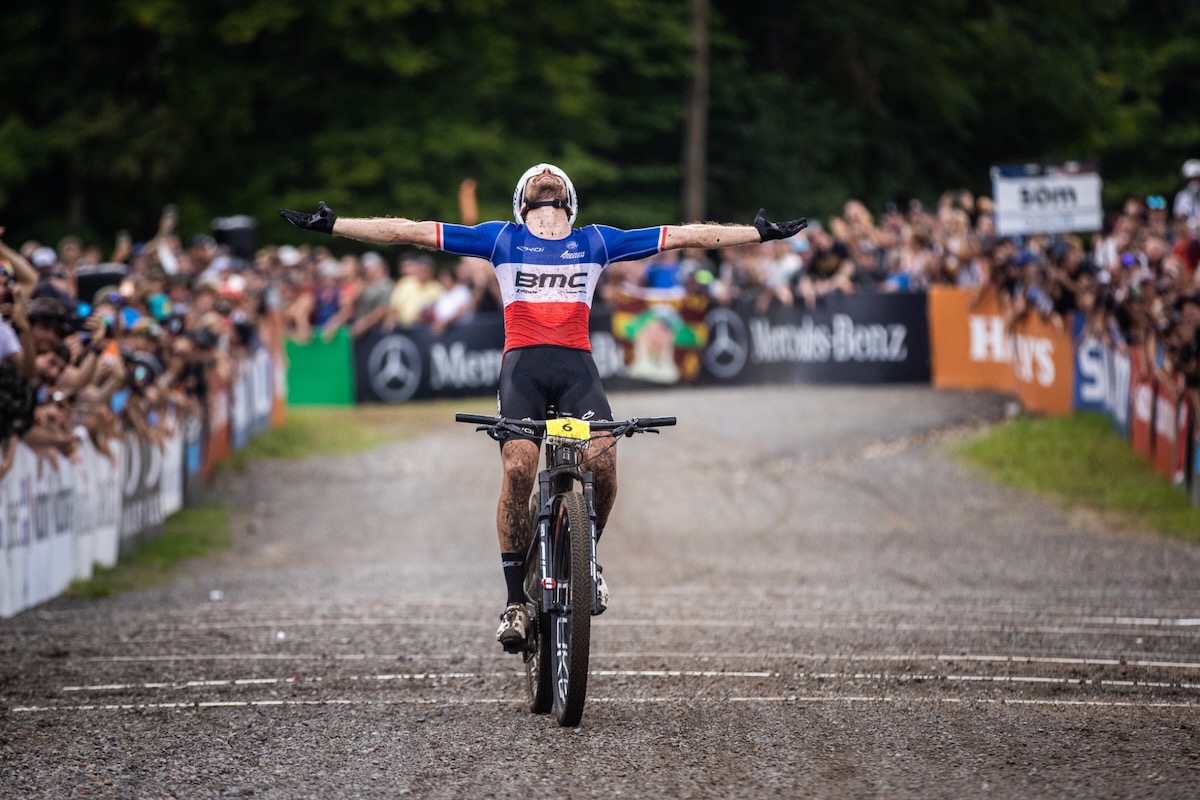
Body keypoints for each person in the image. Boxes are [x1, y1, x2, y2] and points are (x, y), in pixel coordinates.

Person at [280, 163, 807, 651]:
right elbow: (411, 230)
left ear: (569, 201)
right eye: (538, 177)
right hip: (523, 371)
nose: (547, 176)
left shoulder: (597, 242)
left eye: (554, 176)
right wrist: (336, 226)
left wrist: (757, 234)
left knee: (603, 460)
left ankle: (589, 558)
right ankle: (514, 602)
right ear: (522, 203)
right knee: (518, 468)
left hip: (578, 370)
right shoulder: (500, 238)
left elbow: (686, 235)